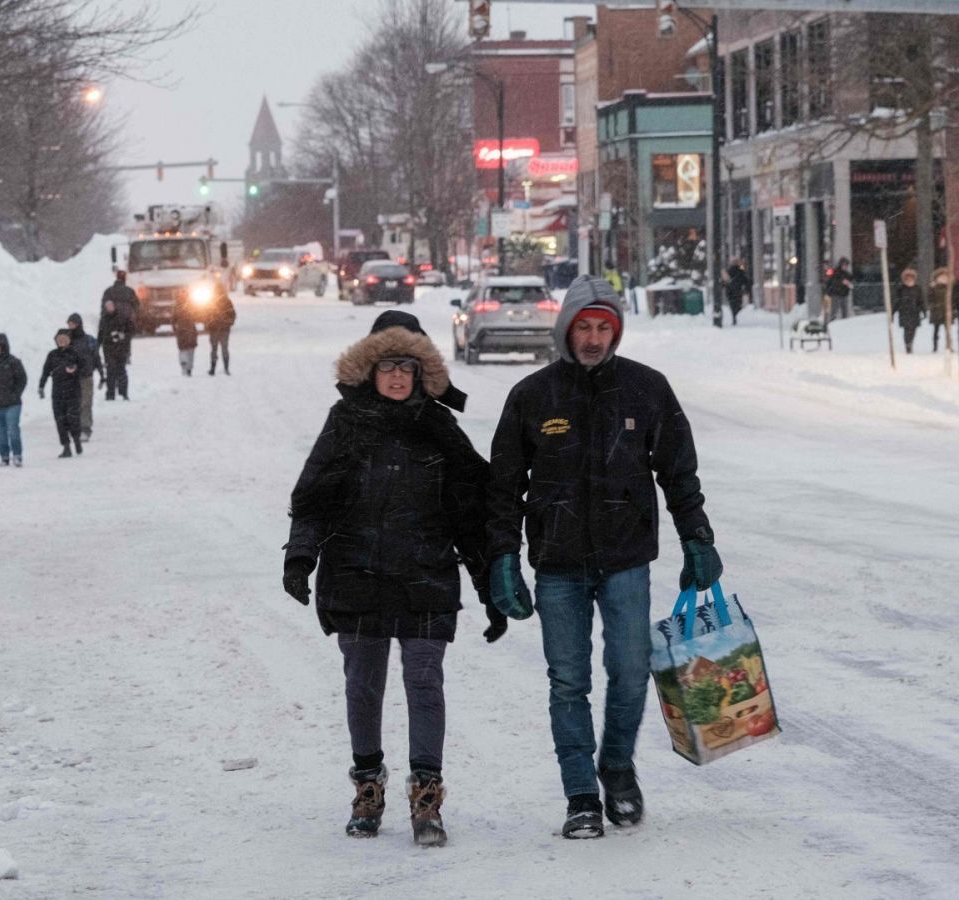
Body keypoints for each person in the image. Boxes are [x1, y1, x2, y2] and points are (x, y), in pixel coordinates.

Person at [485, 277, 718, 840]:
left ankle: (615, 767)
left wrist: (697, 538)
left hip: (625, 558)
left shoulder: (646, 389)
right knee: (568, 681)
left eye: (603, 328)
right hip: (558, 561)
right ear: (567, 328)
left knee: (632, 672)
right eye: (584, 327)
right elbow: (503, 486)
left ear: (615, 331)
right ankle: (581, 796)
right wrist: (502, 558)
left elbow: (678, 473)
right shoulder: (533, 395)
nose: (593, 339)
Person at [284, 309, 502, 848]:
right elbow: (313, 498)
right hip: (356, 573)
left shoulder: (441, 431)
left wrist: (490, 589)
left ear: (422, 372)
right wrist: (300, 557)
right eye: (387, 366)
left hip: (425, 575)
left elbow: (470, 517)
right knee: (363, 684)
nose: (398, 377)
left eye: (407, 365)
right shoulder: (346, 423)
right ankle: (368, 787)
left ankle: (426, 794)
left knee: (424, 681)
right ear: (369, 370)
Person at [0, 333, 27, 467]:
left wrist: (15, 394)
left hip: (12, 404)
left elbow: (22, 379)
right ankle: (4, 456)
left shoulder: (14, 362)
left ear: (4, 347)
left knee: (13, 429)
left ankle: (17, 456)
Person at [38, 329, 83, 458]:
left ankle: (76, 439)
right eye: (59, 339)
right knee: (60, 421)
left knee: (73, 419)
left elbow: (84, 369)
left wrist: (74, 370)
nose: (61, 341)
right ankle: (66, 447)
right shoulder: (52, 355)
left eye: (64, 339)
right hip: (57, 393)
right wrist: (41, 386)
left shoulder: (75, 353)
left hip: (73, 392)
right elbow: (45, 371)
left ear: (69, 340)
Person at [66, 313, 104, 441]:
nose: (71, 327)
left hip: (86, 377)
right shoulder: (66, 341)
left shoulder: (89, 340)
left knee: (85, 403)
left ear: (79, 324)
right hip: (71, 378)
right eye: (69, 324)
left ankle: (85, 428)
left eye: (73, 324)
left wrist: (102, 375)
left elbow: (96, 358)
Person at [97, 296, 135, 400]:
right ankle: (110, 394)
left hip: (121, 348)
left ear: (114, 306)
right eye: (107, 306)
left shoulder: (123, 317)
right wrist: (97, 346)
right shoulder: (104, 319)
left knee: (121, 370)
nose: (109, 308)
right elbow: (100, 334)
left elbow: (131, 330)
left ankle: (123, 393)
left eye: (111, 305)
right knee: (110, 371)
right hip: (108, 349)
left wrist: (122, 336)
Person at [205, 286, 236, 376]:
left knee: (214, 350)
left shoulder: (211, 302)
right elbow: (232, 314)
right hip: (224, 329)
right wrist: (229, 323)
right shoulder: (226, 301)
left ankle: (213, 368)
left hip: (214, 329)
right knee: (224, 349)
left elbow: (206, 315)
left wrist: (208, 324)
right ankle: (226, 368)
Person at [894, 268, 924, 354]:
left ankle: (911, 342)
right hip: (904, 312)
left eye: (911, 278)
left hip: (915, 312)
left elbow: (920, 300)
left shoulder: (917, 288)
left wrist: (923, 310)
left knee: (913, 329)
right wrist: (893, 312)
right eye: (907, 278)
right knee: (907, 329)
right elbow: (897, 301)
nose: (909, 280)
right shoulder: (901, 289)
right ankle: (908, 344)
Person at [173, 295, 199, 376]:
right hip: (191, 332)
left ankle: (184, 364)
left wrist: (175, 329)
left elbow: (173, 321)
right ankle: (189, 368)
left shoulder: (177, 309)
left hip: (181, 333)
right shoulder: (192, 308)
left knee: (182, 350)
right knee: (191, 351)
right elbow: (198, 316)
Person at [928, 267, 953, 353]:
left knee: (948, 331)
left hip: (946, 312)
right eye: (941, 277)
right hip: (937, 311)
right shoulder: (933, 287)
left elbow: (953, 299)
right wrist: (934, 306)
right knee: (936, 330)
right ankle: (935, 347)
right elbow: (930, 298)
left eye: (945, 277)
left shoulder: (950, 288)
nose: (943, 278)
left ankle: (949, 346)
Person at [823, 258, 853, 322]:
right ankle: (831, 322)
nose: (845, 266)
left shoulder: (847, 274)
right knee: (834, 310)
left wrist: (849, 284)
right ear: (840, 264)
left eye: (846, 265)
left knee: (844, 311)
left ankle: (844, 323)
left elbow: (851, 283)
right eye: (844, 265)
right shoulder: (834, 272)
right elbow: (831, 281)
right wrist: (842, 282)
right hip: (835, 294)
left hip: (844, 294)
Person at [724, 259, 751, 325]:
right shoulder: (740, 271)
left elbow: (724, 281)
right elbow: (746, 280)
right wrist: (747, 289)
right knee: (738, 304)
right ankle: (735, 314)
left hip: (730, 291)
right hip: (738, 291)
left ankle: (734, 316)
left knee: (732, 305)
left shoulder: (728, 271)